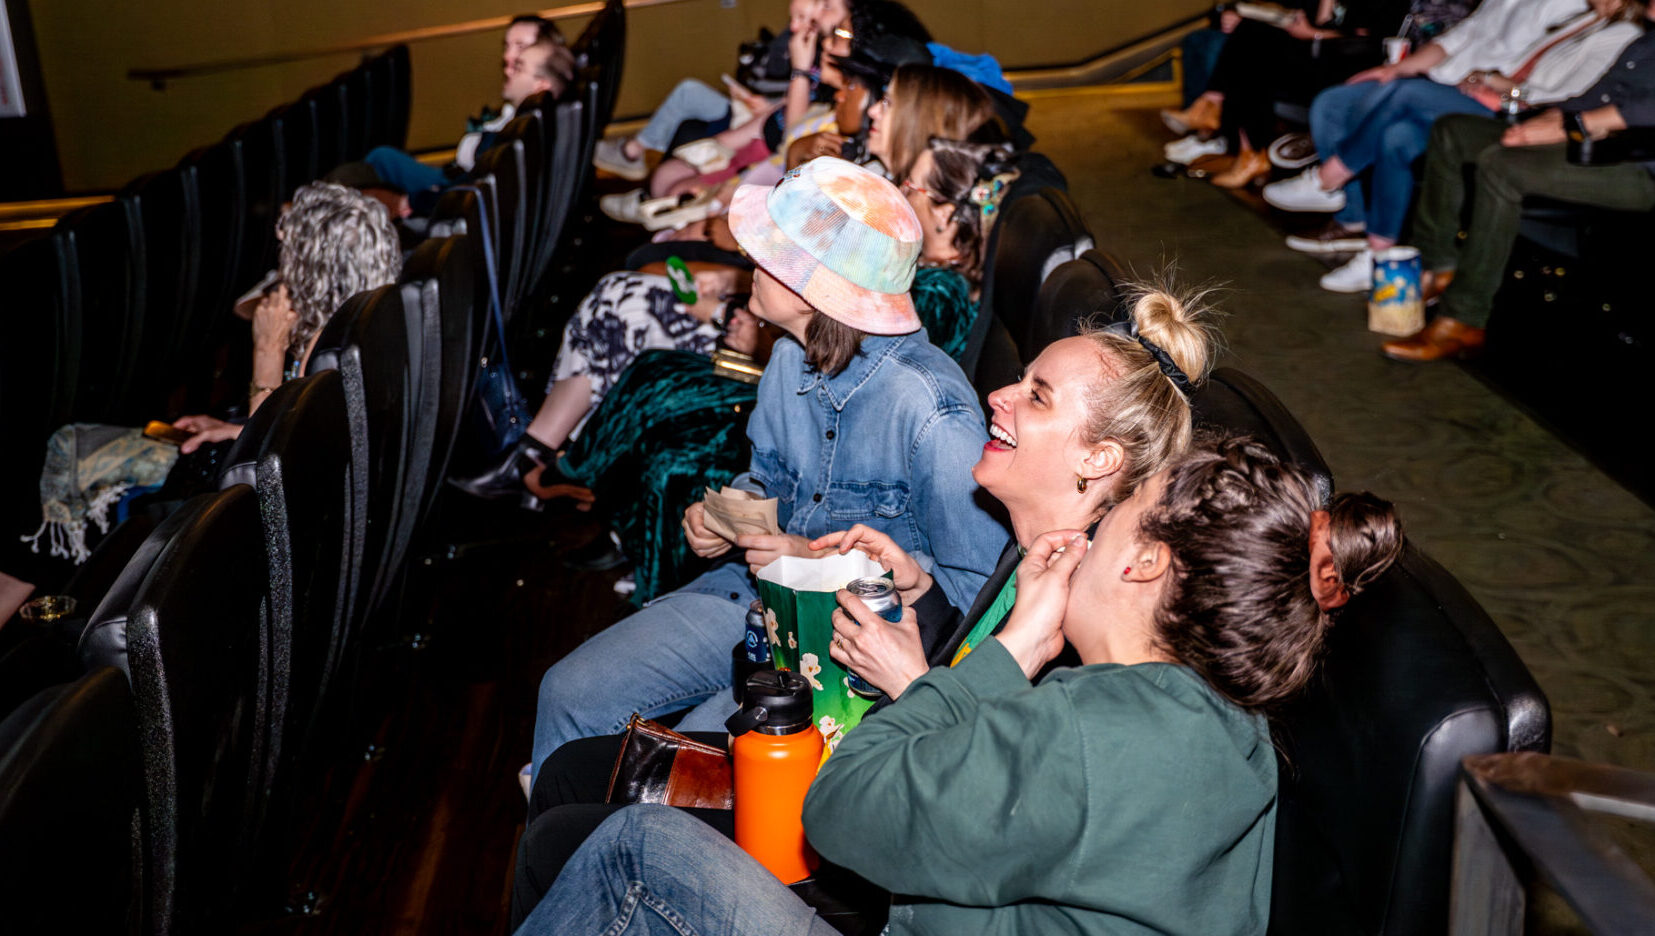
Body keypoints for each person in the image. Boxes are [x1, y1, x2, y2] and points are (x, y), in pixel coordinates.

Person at [510, 286, 1221, 925]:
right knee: (572, 773)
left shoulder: (1083, 611)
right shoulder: (1034, 555)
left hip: (884, 866)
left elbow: (991, 811)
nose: (998, 395)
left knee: (579, 839)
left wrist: (909, 681)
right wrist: (921, 590)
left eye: (1035, 395)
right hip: (873, 774)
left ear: (1096, 460)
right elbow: (975, 665)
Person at [515, 436, 1405, 935]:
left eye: (1111, 520)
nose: (1086, 536)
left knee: (638, 848)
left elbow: (843, 808)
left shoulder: (1093, 732)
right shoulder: (1229, 721)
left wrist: (1012, 649)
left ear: (1142, 561)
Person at [524, 157, 1009, 788]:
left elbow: (976, 600)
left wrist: (806, 556)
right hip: (751, 598)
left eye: (770, 253)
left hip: (841, 652)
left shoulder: (929, 411)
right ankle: (563, 852)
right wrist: (726, 516)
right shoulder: (787, 359)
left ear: (816, 289)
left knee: (679, 765)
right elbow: (769, 482)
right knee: (567, 691)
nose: (750, 262)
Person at [12, 182, 401, 578]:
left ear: (313, 263)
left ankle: (66, 593)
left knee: (68, 448)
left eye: (290, 252)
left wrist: (267, 350)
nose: (283, 262)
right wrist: (232, 428)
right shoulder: (368, 324)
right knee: (85, 451)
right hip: (281, 488)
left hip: (255, 516)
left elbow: (272, 460)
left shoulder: (325, 345)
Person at [1261, 0, 1643, 291]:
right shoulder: (1589, 19)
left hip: (1521, 117)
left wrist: (1500, 86)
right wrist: (1492, 82)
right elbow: (1487, 46)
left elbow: (1568, 97)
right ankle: (1379, 253)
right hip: (1493, 96)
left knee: (1405, 94)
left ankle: (1328, 179)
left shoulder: (1619, 33)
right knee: (1397, 134)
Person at [1381, 20, 1655, 361]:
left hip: (1642, 169)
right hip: (1602, 146)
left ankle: (1463, 318)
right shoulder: (1645, 43)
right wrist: (1550, 120)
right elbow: (1593, 97)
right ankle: (1438, 267)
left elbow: (1641, 110)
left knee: (1503, 165)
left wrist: (1571, 126)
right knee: (1454, 131)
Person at [450, 262, 754, 505]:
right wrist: (731, 279)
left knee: (628, 315)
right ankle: (537, 452)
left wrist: (722, 313)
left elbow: (782, 343)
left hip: (756, 364)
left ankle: (544, 458)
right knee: (618, 292)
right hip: (751, 325)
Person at [1163, 0, 1413, 188]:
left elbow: (1370, 41)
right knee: (1252, 37)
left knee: (1254, 48)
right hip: (1315, 53)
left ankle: (1218, 116)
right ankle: (1237, 139)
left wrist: (1313, 33)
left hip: (1348, 62)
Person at [357, 31, 573, 204]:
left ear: (541, 86)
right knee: (376, 162)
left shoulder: (519, 134)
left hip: (448, 201)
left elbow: (471, 190)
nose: (508, 69)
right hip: (453, 187)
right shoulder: (533, 125)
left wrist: (412, 201)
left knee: (370, 165)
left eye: (519, 67)